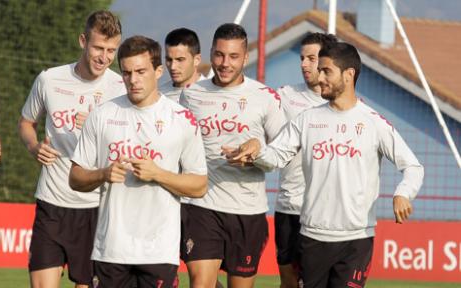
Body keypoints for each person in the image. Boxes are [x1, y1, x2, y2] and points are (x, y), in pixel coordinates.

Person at [231, 42, 424, 288]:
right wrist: (255, 152)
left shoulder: (373, 123)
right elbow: (276, 157)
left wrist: (403, 194)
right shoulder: (307, 119)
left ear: (349, 74)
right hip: (313, 237)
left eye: (326, 71)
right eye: (319, 70)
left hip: (356, 240)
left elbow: (413, 167)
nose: (319, 77)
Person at [68, 35, 207, 288]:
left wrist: (158, 174)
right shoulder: (101, 116)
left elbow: (199, 185)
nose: (133, 80)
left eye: (141, 71)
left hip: (159, 251)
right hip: (110, 250)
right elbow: (75, 178)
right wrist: (103, 174)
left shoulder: (182, 119)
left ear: (158, 71)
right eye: (127, 73)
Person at [18, 10, 125, 288]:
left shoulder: (120, 89)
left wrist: (95, 127)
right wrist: (34, 146)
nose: (104, 57)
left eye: (111, 50)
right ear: (82, 41)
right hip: (52, 202)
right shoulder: (49, 79)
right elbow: (26, 122)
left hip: (97, 207)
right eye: (98, 47)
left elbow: (126, 147)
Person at [179, 23, 285, 288]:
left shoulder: (265, 97)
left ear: (246, 58)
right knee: (200, 283)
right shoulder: (191, 95)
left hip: (247, 211)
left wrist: (255, 154)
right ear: (212, 53)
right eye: (219, 55)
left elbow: (282, 154)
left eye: (233, 56)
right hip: (201, 206)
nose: (225, 63)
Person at [273, 32, 337, 288]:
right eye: (302, 58)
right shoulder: (284, 96)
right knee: (288, 279)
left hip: (325, 211)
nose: (303, 64)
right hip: (289, 207)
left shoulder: (344, 105)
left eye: (311, 58)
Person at [158, 27, 206, 102]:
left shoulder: (212, 94)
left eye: (180, 60)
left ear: (197, 60)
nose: (173, 67)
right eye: (169, 60)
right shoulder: (159, 97)